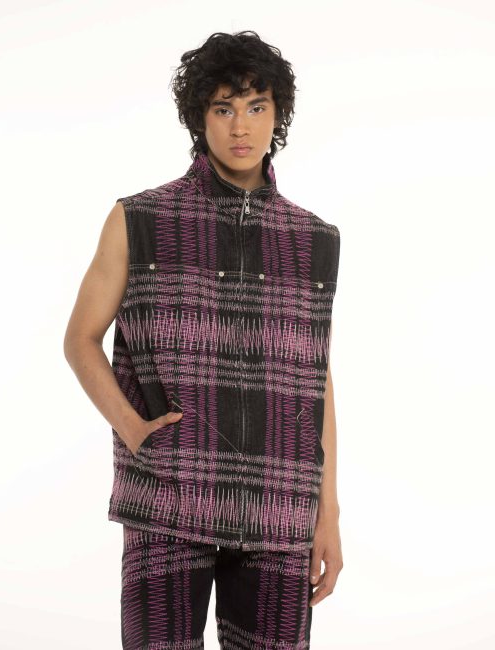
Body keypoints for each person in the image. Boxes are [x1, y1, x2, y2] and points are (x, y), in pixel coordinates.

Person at [64, 29, 343, 649]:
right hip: (169, 493)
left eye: (256, 106)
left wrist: (328, 510)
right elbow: (80, 339)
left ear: (278, 114)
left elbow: (315, 377)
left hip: (279, 505)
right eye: (223, 108)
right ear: (200, 118)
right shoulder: (140, 218)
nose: (241, 126)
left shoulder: (314, 239)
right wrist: (134, 430)